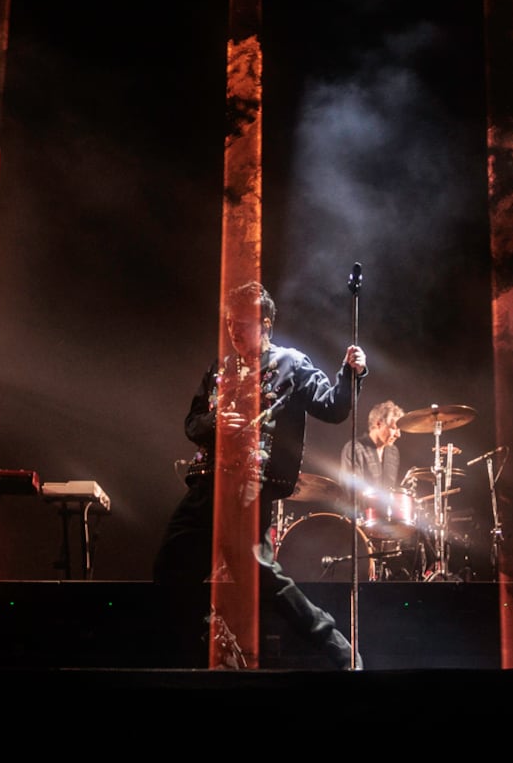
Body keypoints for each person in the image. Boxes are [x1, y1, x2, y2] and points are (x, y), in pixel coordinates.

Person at [152, 280, 366, 668]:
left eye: (243, 323)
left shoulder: (292, 364)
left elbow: (332, 408)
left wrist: (350, 374)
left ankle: (338, 649)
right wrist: (217, 422)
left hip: (251, 487)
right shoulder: (219, 367)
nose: (234, 331)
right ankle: (210, 638)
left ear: (265, 323)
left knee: (263, 577)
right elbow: (192, 422)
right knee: (171, 565)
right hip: (207, 483)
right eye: (230, 323)